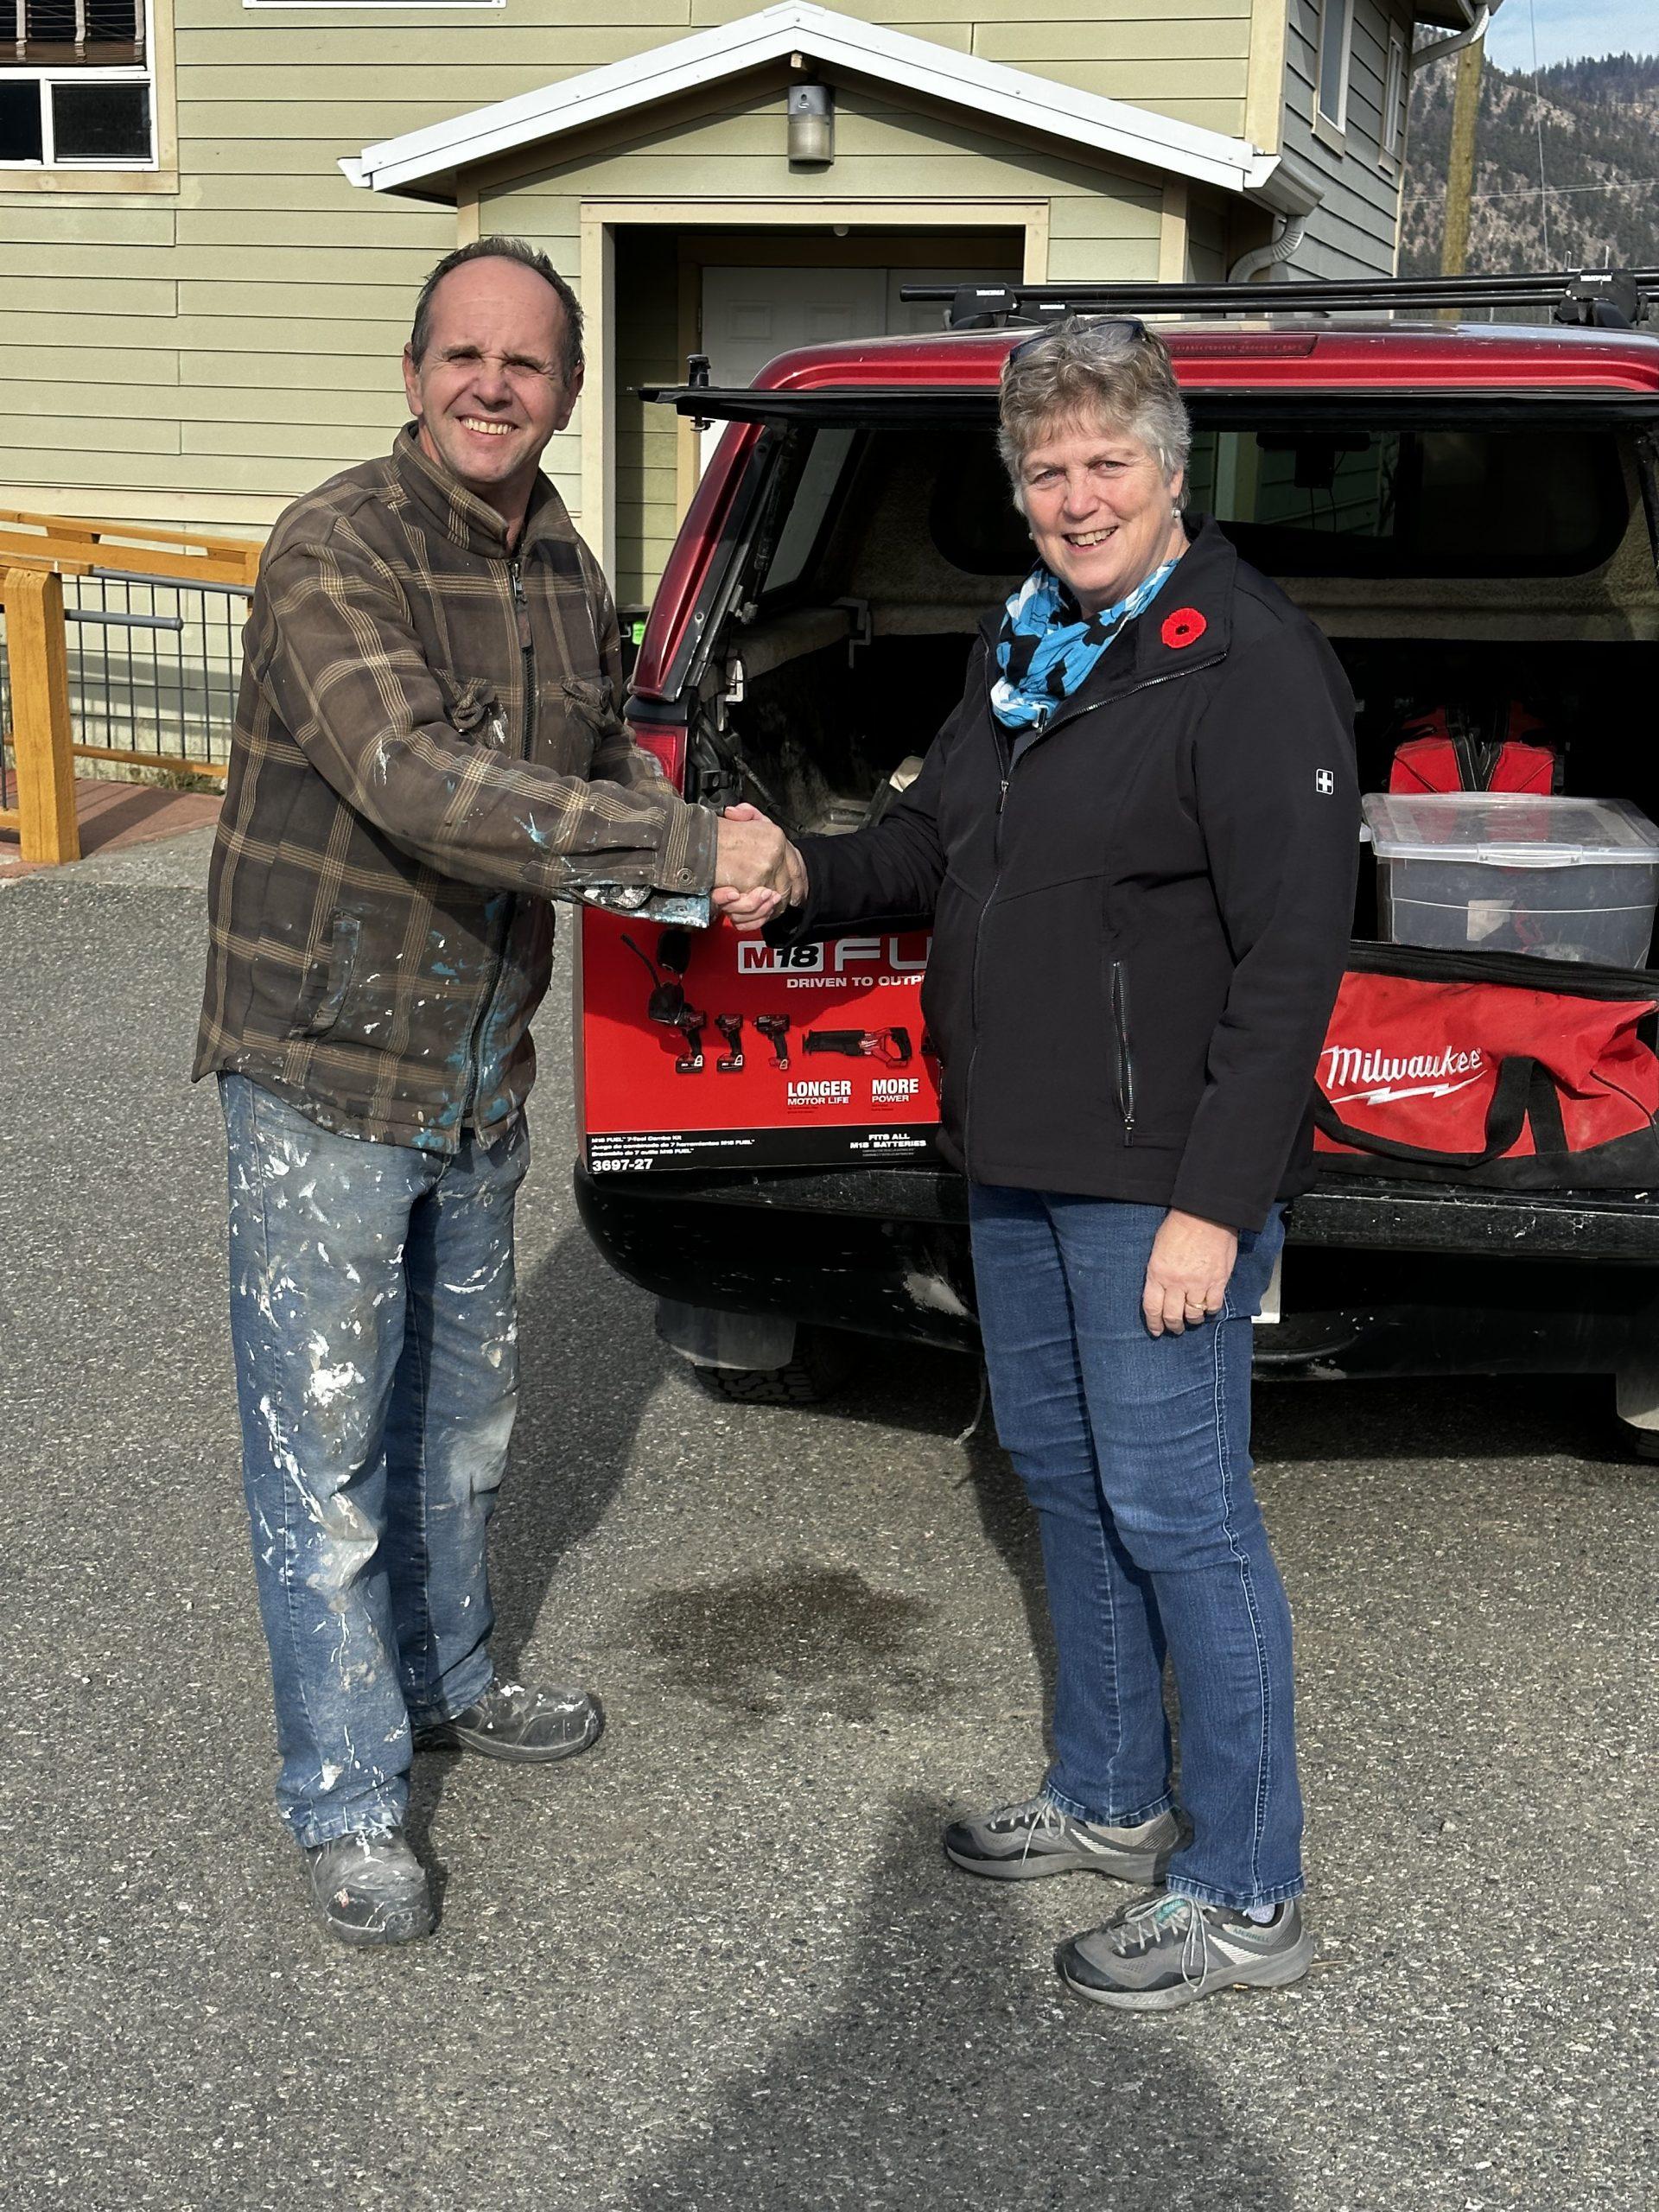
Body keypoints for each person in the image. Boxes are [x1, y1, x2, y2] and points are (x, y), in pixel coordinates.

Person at [721, 317, 1359, 2012]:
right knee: (1065, 1481)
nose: (1075, 496)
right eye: (1045, 469)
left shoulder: (1251, 663)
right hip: (1015, 1152)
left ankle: (1244, 1885)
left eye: (1105, 463)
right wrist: (807, 872)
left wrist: (1216, 1205)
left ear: (1172, 471)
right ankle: (1107, 1787)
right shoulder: (1036, 636)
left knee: (1183, 1512)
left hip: (1155, 1177)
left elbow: (1294, 963)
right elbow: (940, 839)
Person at [195, 237, 793, 1947]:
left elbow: (591, 771)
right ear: (410, 372)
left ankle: (450, 1676)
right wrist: (686, 845)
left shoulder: (561, 568)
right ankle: (349, 1796)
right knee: (322, 1451)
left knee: (458, 1425)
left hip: (475, 1068)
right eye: (461, 353)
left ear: (567, 393)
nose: (489, 384)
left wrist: (747, 861)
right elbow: (419, 782)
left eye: (524, 363)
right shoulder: (335, 549)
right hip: (321, 1065)